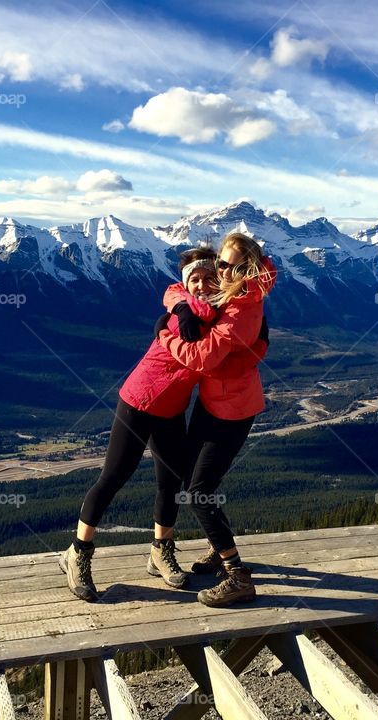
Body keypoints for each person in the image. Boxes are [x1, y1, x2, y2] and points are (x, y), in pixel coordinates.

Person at [60, 247, 267, 602]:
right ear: (186, 284)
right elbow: (178, 295)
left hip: (172, 409)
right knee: (113, 477)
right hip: (139, 401)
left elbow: (236, 305)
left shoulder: (218, 306)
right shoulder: (192, 308)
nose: (201, 285)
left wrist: (259, 341)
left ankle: (160, 550)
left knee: (170, 482)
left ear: (220, 278)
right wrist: (176, 312)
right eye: (194, 280)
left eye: (208, 277)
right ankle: (77, 552)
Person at [157, 232, 276, 607]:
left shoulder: (242, 308)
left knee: (199, 492)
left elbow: (203, 357)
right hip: (212, 403)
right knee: (195, 479)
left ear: (247, 269)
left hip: (232, 411)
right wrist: (180, 308)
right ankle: (219, 546)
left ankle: (238, 576)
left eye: (229, 266)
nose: (221, 271)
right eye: (220, 263)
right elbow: (177, 288)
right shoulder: (230, 291)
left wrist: (164, 336)